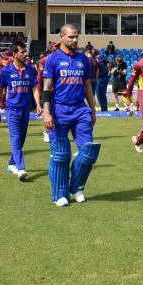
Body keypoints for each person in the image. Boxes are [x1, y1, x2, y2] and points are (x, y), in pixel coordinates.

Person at [42, 24, 100, 206]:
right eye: (71, 37)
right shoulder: (52, 60)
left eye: (76, 37)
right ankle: (60, 194)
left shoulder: (83, 58)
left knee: (89, 151)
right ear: (61, 37)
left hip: (80, 109)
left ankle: (76, 187)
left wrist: (92, 108)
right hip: (59, 110)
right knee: (61, 155)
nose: (75, 40)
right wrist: (46, 113)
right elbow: (46, 89)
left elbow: (88, 86)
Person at [0, 42, 41, 180]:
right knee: (15, 138)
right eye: (21, 52)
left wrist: (38, 104)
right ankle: (21, 168)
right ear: (14, 54)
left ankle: (11, 163)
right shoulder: (6, 71)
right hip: (12, 109)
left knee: (21, 138)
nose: (25, 54)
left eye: (25, 52)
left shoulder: (30, 70)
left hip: (26, 109)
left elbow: (34, 88)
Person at [37, 44, 58, 143]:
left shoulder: (64, 58)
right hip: (48, 89)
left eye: (57, 46)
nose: (56, 48)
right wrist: (40, 91)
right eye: (54, 46)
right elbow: (39, 77)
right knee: (47, 111)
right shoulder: (45, 60)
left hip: (59, 90)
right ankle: (47, 131)